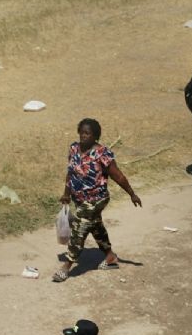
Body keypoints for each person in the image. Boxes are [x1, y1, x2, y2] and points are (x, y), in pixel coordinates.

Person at [54, 118, 141, 283]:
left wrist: (132, 193)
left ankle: (67, 266)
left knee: (80, 229)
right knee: (95, 226)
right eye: (82, 132)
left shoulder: (102, 154)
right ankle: (110, 257)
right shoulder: (74, 149)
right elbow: (70, 173)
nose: (83, 136)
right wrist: (66, 193)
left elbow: (118, 176)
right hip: (79, 199)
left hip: (96, 199)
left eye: (88, 133)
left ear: (95, 136)